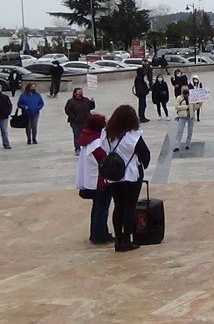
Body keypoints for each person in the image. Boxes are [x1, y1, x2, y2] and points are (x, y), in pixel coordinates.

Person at [99, 104, 151, 252]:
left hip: (114, 175)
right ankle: (127, 240)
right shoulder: (133, 135)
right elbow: (145, 154)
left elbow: (103, 149)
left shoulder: (106, 133)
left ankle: (118, 240)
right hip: (131, 174)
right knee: (129, 207)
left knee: (118, 206)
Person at [74, 114, 114, 245]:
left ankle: (96, 233)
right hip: (100, 180)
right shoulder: (96, 143)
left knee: (97, 208)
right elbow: (104, 160)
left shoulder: (87, 139)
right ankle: (100, 235)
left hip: (92, 179)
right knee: (102, 208)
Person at [64, 87, 96, 155]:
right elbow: (67, 110)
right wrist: (74, 117)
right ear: (75, 94)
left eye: (81, 93)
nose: (80, 94)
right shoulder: (71, 101)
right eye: (79, 93)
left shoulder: (86, 100)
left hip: (86, 121)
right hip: (76, 122)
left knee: (87, 135)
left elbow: (91, 107)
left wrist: (92, 102)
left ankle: (87, 148)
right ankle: (77, 148)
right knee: (77, 135)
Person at [173, 86, 197, 152]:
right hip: (182, 116)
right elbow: (177, 107)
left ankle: (188, 144)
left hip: (190, 115)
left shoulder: (191, 97)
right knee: (179, 131)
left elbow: (194, 107)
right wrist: (186, 107)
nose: (185, 91)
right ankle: (177, 145)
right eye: (184, 90)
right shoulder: (179, 98)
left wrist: (200, 103)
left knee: (190, 131)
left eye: (186, 90)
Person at [0, 85, 12, 149]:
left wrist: (8, 112)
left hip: (4, 117)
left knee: (4, 131)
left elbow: (10, 105)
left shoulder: (5, 97)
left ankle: (6, 144)